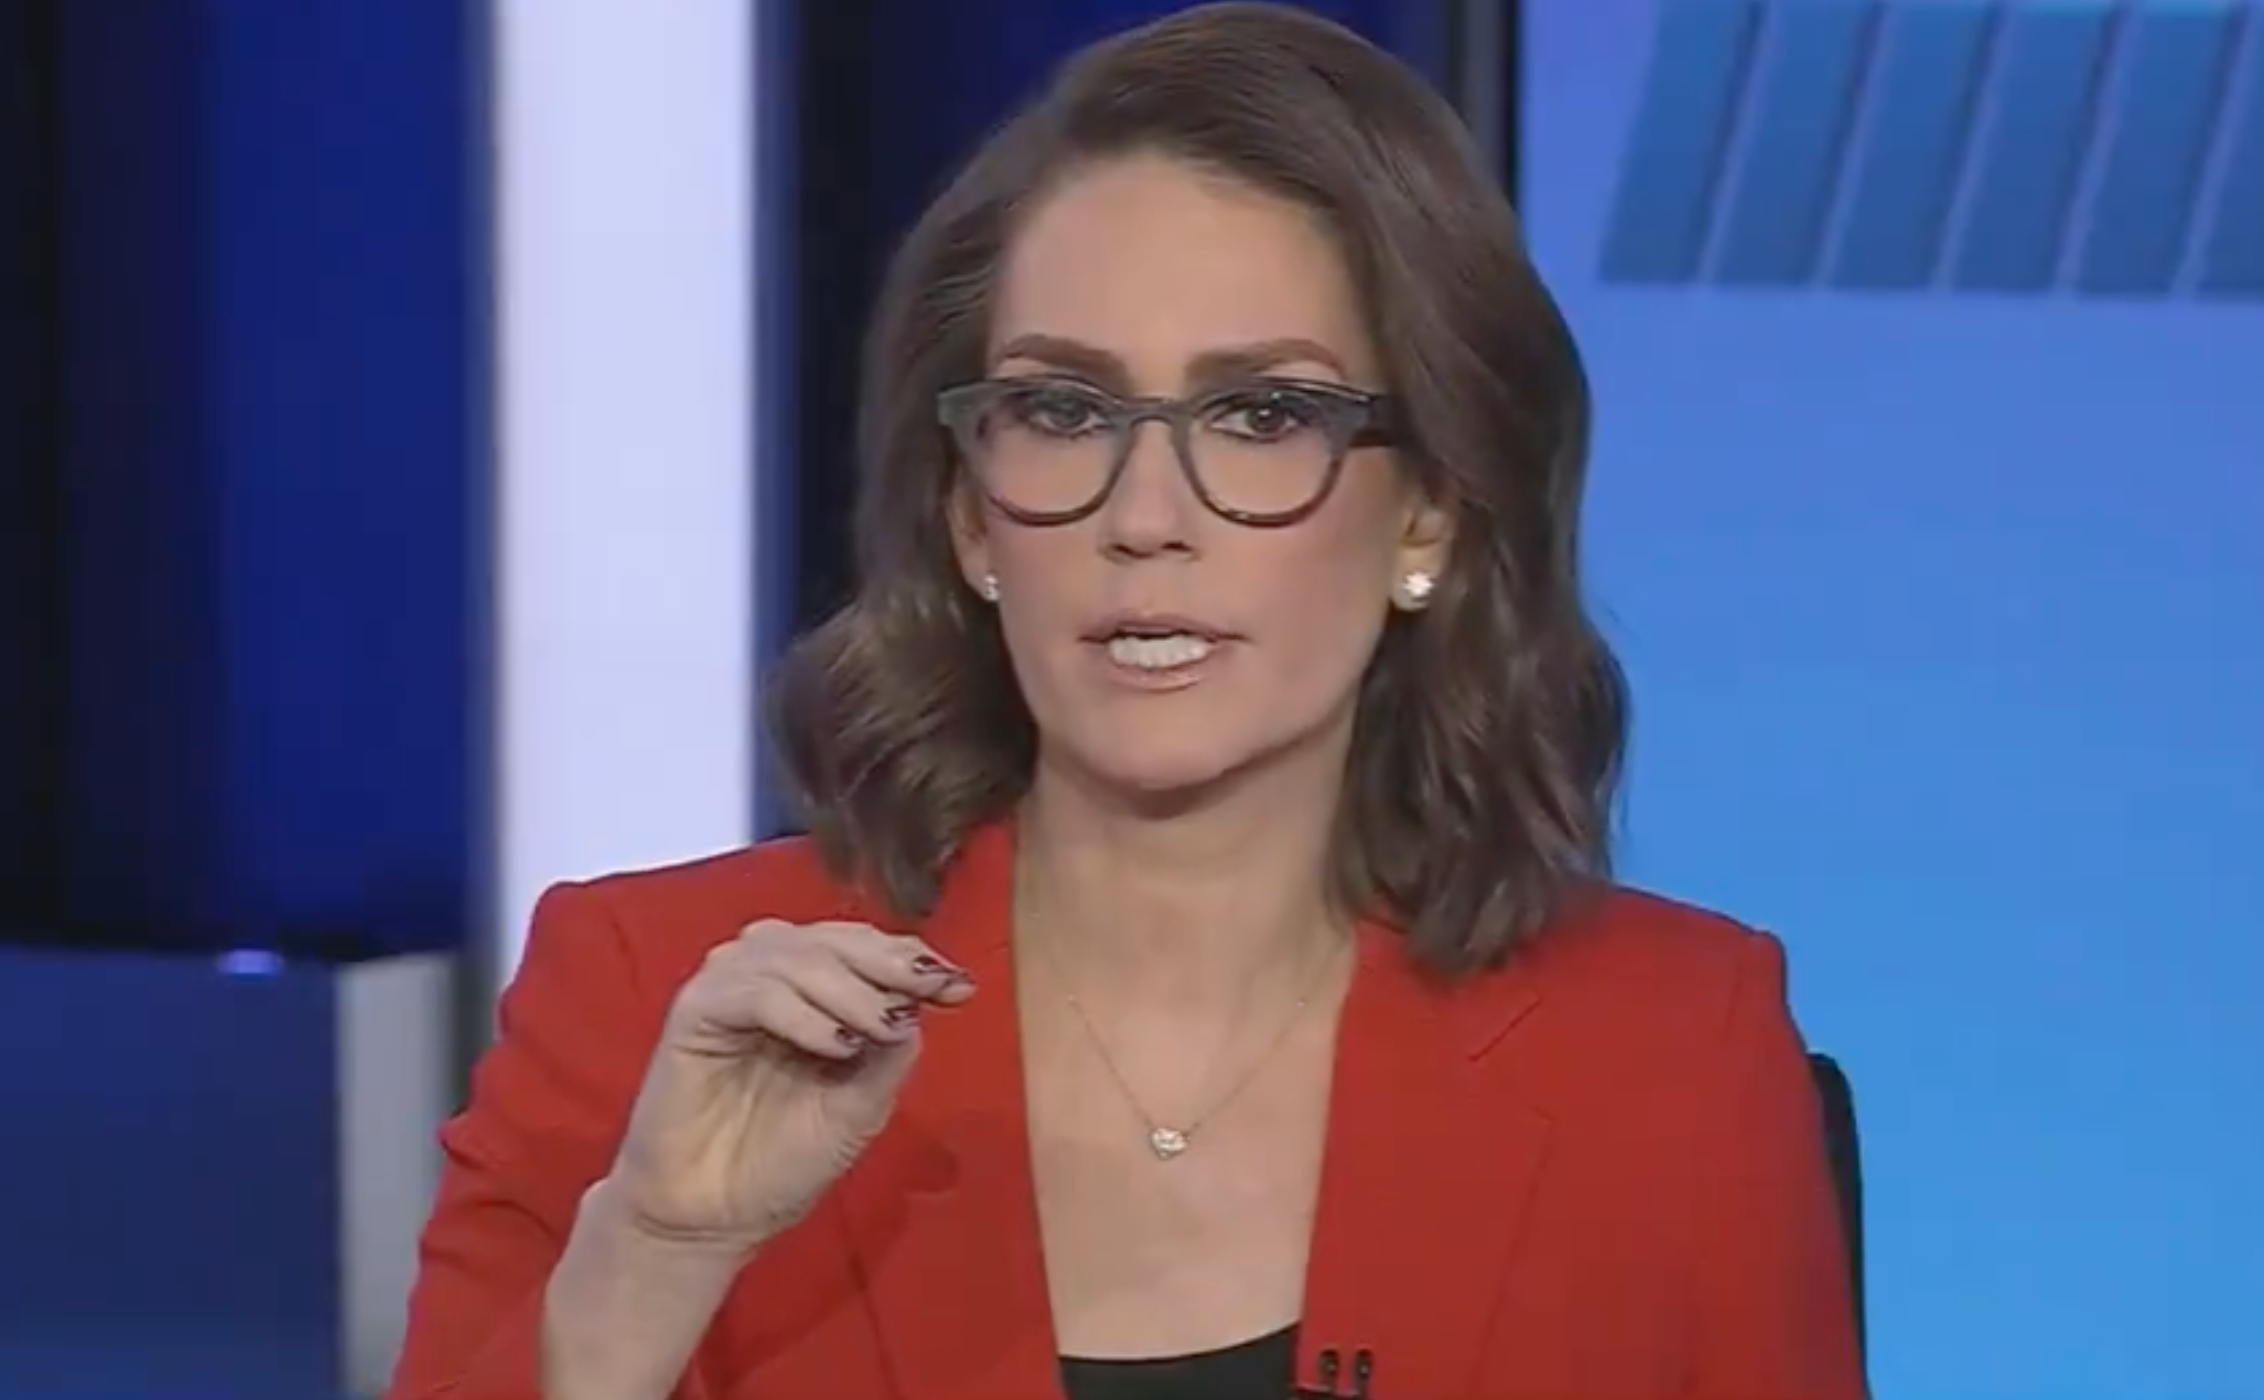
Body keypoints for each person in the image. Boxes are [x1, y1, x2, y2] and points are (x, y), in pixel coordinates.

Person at [385, 5, 1864, 1398]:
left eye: (1264, 415)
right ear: (973, 518)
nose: (1144, 514)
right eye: (1062, 412)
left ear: (1432, 518)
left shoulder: (1669, 1049)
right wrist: (654, 1253)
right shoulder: (646, 995)